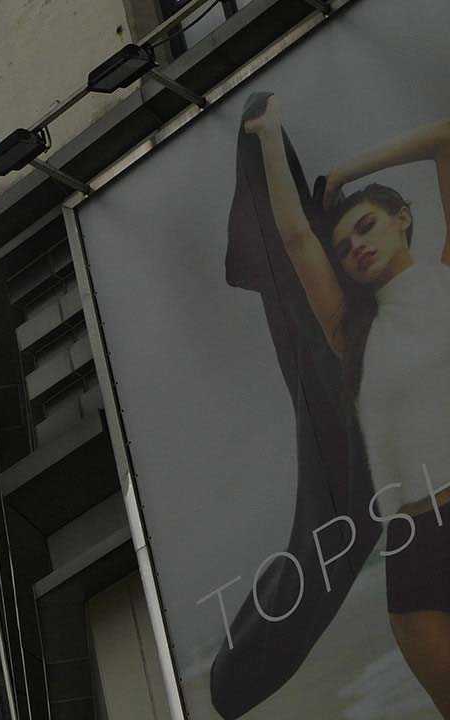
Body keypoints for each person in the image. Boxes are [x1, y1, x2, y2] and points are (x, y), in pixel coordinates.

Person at [244, 95, 450, 717]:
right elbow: (292, 236)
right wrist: (270, 138)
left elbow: (448, 138)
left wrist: (347, 174)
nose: (355, 246)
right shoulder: (349, 333)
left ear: (402, 218)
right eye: (343, 245)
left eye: (366, 226)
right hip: (412, 556)